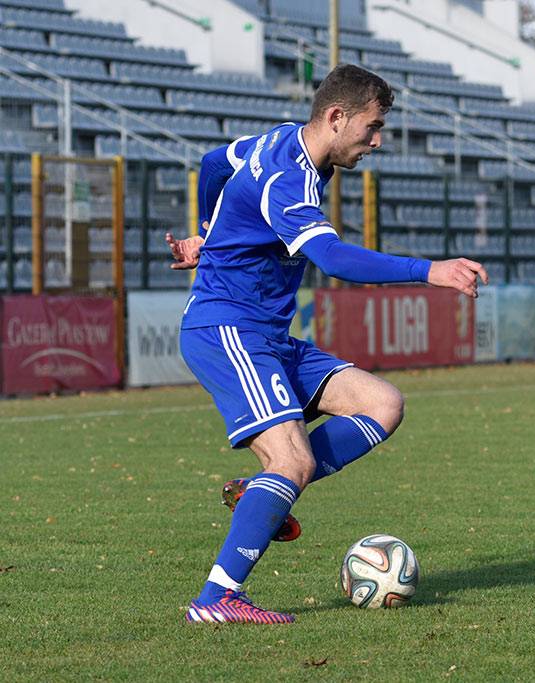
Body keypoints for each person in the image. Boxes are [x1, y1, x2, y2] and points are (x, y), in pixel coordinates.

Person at [165, 64, 487, 624]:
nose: (377, 141)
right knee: (291, 458)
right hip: (228, 328)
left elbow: (214, 163)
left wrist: (206, 232)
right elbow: (333, 259)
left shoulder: (280, 141)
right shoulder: (288, 177)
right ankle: (216, 599)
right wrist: (427, 269)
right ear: (337, 117)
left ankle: (262, 491)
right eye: (372, 126)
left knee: (382, 404)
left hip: (267, 333)